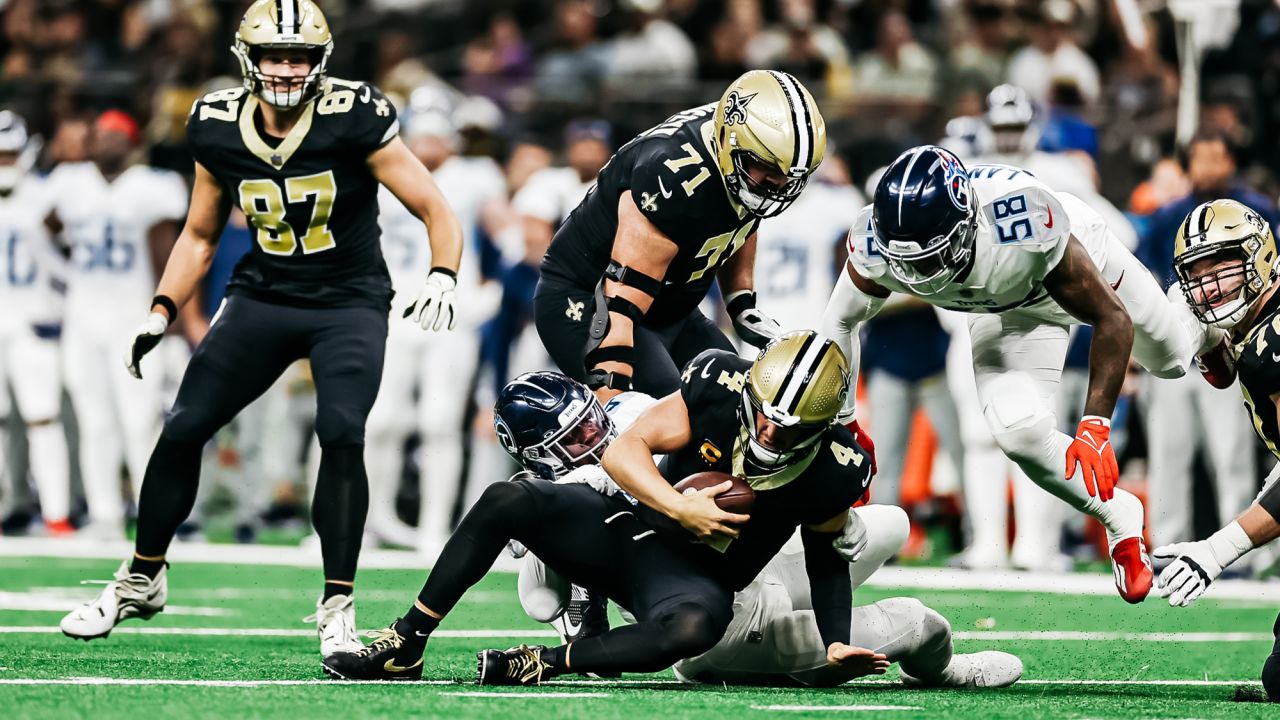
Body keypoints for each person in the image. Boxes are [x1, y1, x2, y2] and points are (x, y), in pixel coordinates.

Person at [58, 0, 463, 657]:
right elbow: (199, 231)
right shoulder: (216, 124)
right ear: (248, 59)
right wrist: (161, 308)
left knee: (341, 430)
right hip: (263, 293)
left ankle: (337, 605)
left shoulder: (352, 117)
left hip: (348, 301)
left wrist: (443, 273)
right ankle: (143, 576)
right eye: (274, 55)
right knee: (184, 424)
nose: (285, 68)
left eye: (298, 56)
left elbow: (433, 207)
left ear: (321, 61)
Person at [321, 331, 878, 684]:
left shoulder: (838, 468)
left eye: (788, 428)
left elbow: (827, 554)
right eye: (763, 415)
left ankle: (547, 661)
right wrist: (677, 507)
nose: (768, 432)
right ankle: (407, 642)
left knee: (695, 626)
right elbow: (625, 449)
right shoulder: (720, 381)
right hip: (628, 525)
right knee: (507, 497)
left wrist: (834, 640)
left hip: (694, 578)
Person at [822, 145, 1223, 603]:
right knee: (1016, 431)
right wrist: (846, 422)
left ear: (966, 222)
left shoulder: (1024, 221)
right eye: (907, 263)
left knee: (1170, 361)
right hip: (1003, 311)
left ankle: (1198, 325)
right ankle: (1119, 516)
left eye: (931, 256)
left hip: (1065, 267)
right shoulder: (876, 243)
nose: (921, 274)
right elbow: (837, 323)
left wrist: (1094, 428)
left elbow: (1111, 319)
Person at [496, 374, 1022, 689]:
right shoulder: (560, 495)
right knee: (917, 622)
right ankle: (943, 670)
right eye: (573, 439)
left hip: (747, 564)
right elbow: (541, 599)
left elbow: (633, 444)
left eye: (590, 421)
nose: (593, 436)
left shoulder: (633, 416)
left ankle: (795, 651)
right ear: (540, 460)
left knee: (889, 524)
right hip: (715, 622)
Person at [534, 70, 825, 404]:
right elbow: (619, 305)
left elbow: (741, 221)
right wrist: (613, 394)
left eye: (788, 178)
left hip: (672, 310)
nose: (778, 187)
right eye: (769, 171)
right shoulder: (674, 176)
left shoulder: (742, 157)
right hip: (592, 302)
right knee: (672, 422)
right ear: (732, 146)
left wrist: (740, 301)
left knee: (745, 406)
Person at [44, 109, 191, 540]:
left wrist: (173, 318)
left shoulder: (153, 186)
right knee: (94, 420)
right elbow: (45, 229)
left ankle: (154, 514)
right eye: (99, 132)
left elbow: (167, 253)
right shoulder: (69, 182)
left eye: (113, 134)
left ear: (132, 143)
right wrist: (60, 273)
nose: (103, 140)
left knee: (140, 420)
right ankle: (105, 513)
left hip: (134, 316)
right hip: (83, 315)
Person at [1156, 198, 1280, 702]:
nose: (1209, 287)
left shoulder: (1272, 342)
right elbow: (1225, 372)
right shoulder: (1258, 325)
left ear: (1260, 257)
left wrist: (1216, 550)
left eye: (1222, 268)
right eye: (1197, 274)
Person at [366, 108, 506, 553]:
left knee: (440, 422)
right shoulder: (385, 169)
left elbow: (508, 235)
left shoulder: (475, 175)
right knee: (379, 420)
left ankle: (432, 526)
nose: (426, 145)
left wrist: (492, 288)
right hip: (394, 309)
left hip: (451, 311)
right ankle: (372, 521)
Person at [0, 110, 71, 535]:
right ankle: (11, 506)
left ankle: (56, 513)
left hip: (36, 321)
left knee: (42, 418)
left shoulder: (49, 196)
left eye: (9, 154)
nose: (4, 163)